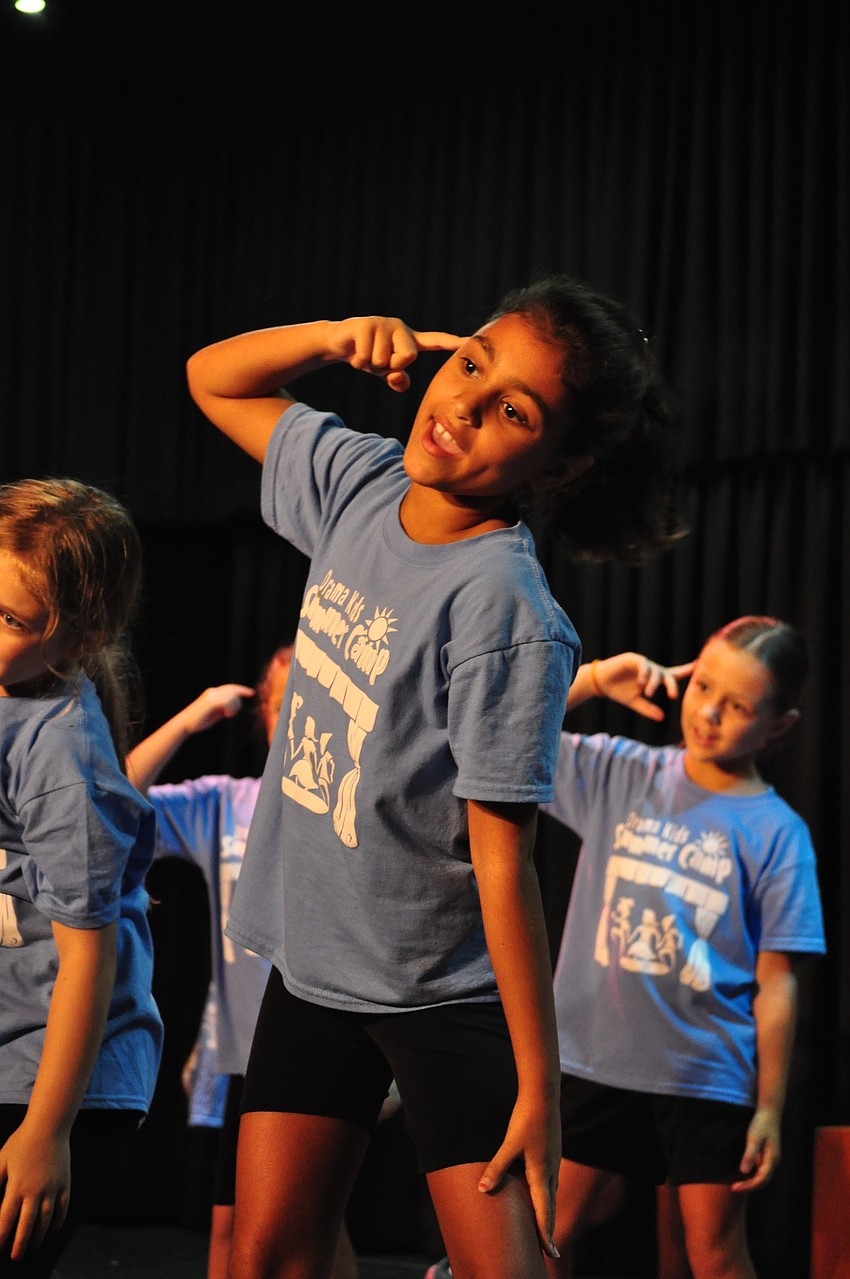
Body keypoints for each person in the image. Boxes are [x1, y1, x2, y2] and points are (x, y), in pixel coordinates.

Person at [184, 274, 686, 1279]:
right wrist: (337, 337)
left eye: (514, 410)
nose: (461, 405)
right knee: (261, 1259)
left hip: (439, 992)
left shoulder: (505, 606)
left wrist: (538, 1089)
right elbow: (213, 379)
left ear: (560, 464)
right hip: (318, 963)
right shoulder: (364, 482)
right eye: (469, 364)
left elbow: (506, 864)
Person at [540, 618, 826, 1279]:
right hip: (596, 1062)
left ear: (779, 724)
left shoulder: (779, 833)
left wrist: (770, 1109)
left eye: (738, 705)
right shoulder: (623, 773)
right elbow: (503, 733)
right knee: (542, 1235)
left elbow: (778, 980)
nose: (709, 713)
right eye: (703, 686)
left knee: (716, 1256)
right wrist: (592, 677)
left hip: (706, 1078)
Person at [126, 646, 359, 1279]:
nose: (294, 719)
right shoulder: (224, 805)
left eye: (308, 704)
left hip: (323, 1048)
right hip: (245, 1054)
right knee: (244, 1233)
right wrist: (189, 719)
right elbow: (113, 802)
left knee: (295, 1228)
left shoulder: (352, 806)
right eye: (282, 704)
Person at [0, 477, 164, 1277]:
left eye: (8, 619)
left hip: (52, 1078)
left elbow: (88, 959)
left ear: (80, 634)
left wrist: (44, 1130)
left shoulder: (62, 754)